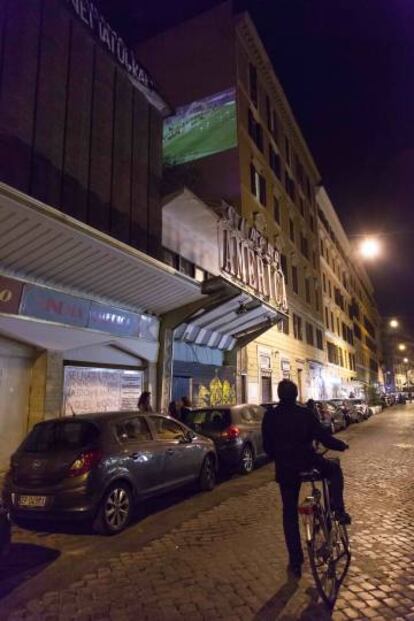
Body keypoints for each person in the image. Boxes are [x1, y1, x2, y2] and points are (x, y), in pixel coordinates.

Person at [262, 379, 350, 579]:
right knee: (334, 469)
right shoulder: (304, 413)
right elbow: (323, 437)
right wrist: (341, 445)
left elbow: (267, 447)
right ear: (295, 394)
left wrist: (280, 455)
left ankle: (295, 561)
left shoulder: (270, 417)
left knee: (289, 514)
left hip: (285, 469)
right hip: (308, 462)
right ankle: (338, 509)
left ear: (278, 395)